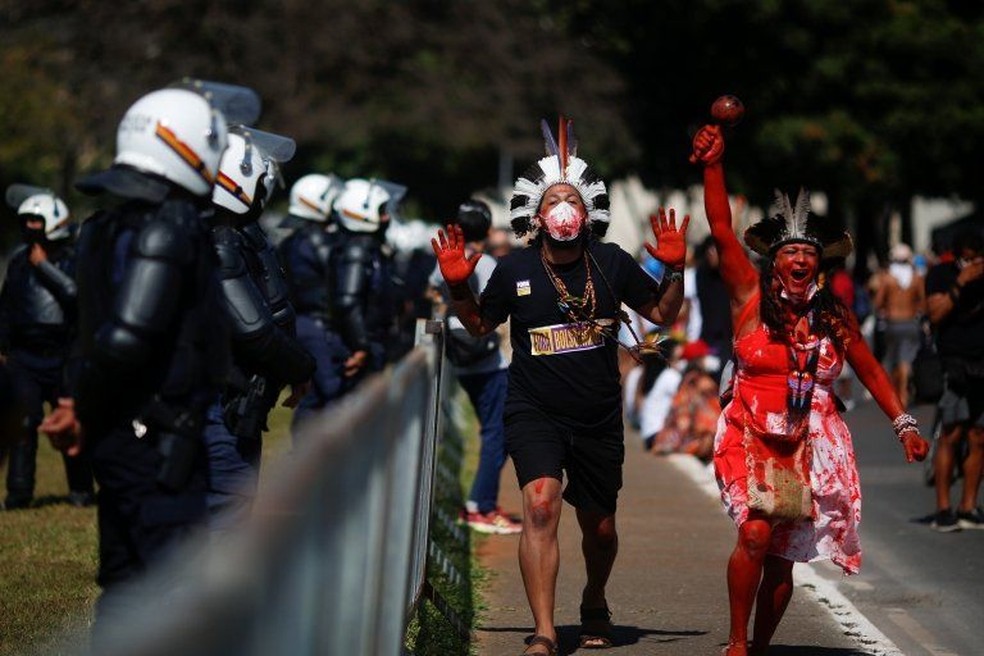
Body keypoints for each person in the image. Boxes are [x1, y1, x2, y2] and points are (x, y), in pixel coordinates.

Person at [431, 117, 688, 656]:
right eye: (553, 200)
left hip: (596, 414)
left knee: (598, 527)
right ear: (537, 213)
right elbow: (479, 326)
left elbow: (662, 314)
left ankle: (594, 596)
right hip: (534, 410)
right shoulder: (514, 268)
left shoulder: (612, 262)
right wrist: (458, 285)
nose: (563, 208)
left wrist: (675, 269)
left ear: (588, 209)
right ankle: (544, 631)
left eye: (572, 198)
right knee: (542, 507)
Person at [690, 123, 929, 656]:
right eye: (789, 254)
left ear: (819, 265)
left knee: (782, 554)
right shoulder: (748, 298)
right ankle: (736, 643)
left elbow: (870, 370)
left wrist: (904, 424)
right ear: (773, 262)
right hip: (749, 428)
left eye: (808, 255)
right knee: (755, 533)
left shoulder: (834, 315)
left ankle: (762, 644)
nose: (799, 261)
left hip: (810, 439)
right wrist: (713, 164)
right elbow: (722, 227)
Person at [41, 82, 251, 626]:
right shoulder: (171, 224)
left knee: (127, 583)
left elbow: (91, 330)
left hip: (123, 436)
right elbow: (126, 337)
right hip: (158, 446)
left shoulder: (106, 224)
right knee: (165, 589)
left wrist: (80, 405)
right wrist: (82, 406)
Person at [206, 126, 314, 528]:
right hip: (224, 404)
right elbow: (254, 328)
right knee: (226, 519)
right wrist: (301, 367)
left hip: (239, 401)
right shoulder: (221, 240)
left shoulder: (239, 235)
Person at [0, 186, 94, 509]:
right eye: (25, 221)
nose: (30, 228)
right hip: (25, 358)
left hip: (64, 356)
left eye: (35, 221)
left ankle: (81, 490)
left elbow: (74, 295)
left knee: (69, 425)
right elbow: (7, 307)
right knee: (24, 424)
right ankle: (19, 494)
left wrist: (44, 266)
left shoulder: (71, 259)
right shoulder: (17, 263)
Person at [429, 200, 520, 535]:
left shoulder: (442, 262)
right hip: (490, 361)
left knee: (497, 432)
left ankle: (481, 503)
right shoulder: (486, 265)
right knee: (499, 432)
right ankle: (480, 506)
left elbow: (433, 295)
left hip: (460, 357)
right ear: (486, 228)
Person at [276, 172, 348, 434]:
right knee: (330, 394)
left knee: (311, 399)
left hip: (302, 324)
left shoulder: (291, 241)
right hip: (318, 327)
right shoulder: (317, 242)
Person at [925, 228, 984, 532]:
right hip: (955, 362)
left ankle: (968, 506)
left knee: (978, 436)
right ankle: (943, 508)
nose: (973, 262)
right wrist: (962, 282)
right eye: (968, 255)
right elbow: (935, 314)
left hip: (982, 364)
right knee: (951, 432)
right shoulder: (942, 274)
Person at [330, 177, 403, 385]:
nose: (387, 217)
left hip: (372, 341)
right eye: (381, 211)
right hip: (362, 344)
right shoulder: (358, 249)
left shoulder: (370, 248)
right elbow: (347, 300)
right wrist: (361, 345)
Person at [873, 243, 925, 409]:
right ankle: (904, 389)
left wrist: (885, 309)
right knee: (905, 359)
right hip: (910, 322)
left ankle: (899, 392)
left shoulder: (888, 278)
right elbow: (923, 302)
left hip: (893, 323)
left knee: (894, 360)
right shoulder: (916, 278)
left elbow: (878, 302)